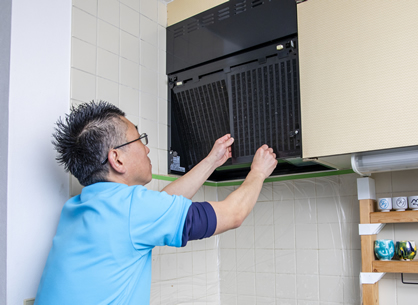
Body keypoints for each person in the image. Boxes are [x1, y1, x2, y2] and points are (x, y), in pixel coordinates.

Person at [34, 101, 277, 305]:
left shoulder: (79, 207)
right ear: (116, 159)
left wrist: (211, 161)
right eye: (139, 139)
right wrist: (258, 172)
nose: (147, 149)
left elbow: (162, 205)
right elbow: (233, 214)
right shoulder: (133, 209)